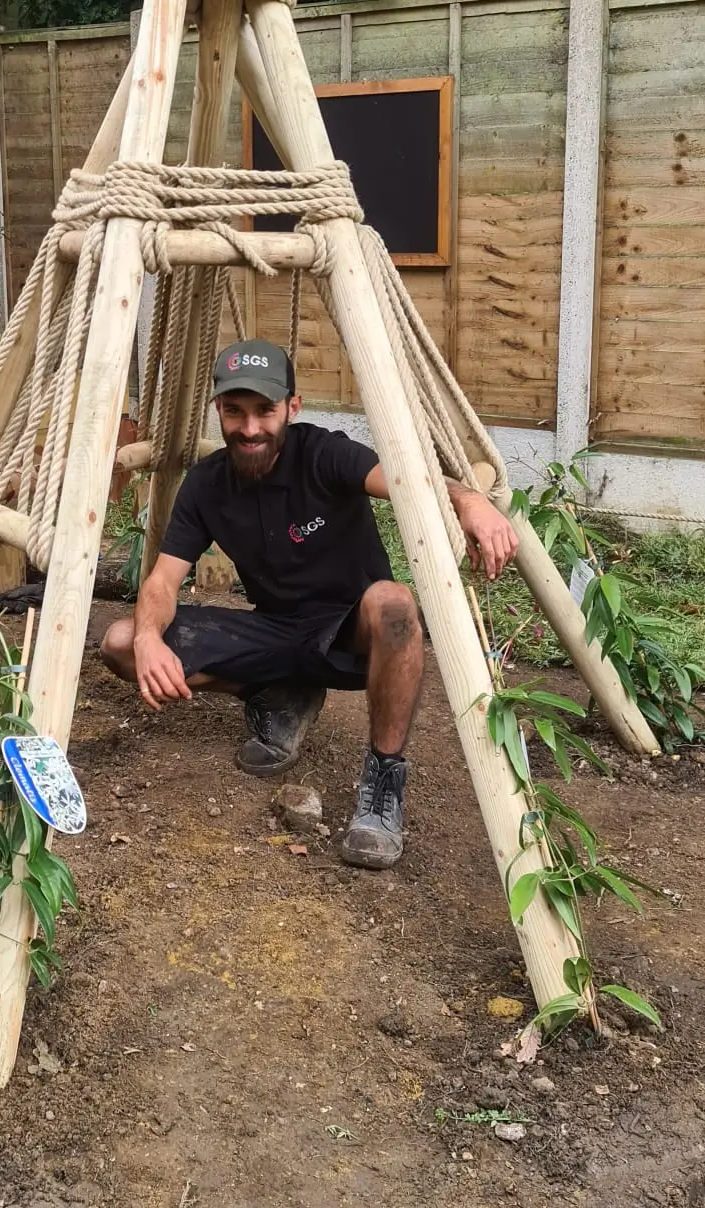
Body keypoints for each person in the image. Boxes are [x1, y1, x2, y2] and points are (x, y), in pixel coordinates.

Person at [100, 338, 519, 870]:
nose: (249, 428)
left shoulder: (326, 454)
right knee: (120, 643)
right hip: (275, 634)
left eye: (264, 411)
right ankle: (281, 693)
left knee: (394, 603)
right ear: (218, 412)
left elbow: (412, 483)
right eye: (234, 411)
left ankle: (383, 780)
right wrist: (147, 638)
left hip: (351, 638)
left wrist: (468, 500)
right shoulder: (208, 484)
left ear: (292, 409)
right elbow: (162, 582)